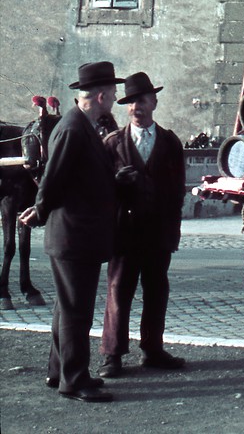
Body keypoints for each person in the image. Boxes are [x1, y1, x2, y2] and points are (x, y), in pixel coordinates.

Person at [19, 62, 124, 403]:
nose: (115, 98)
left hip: (79, 235)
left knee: (66, 310)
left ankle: (58, 371)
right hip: (74, 236)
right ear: (101, 95)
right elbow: (54, 177)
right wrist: (41, 210)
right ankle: (74, 380)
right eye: (113, 93)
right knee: (76, 311)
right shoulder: (73, 128)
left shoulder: (82, 125)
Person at [99, 72, 186, 377]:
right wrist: (114, 182)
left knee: (156, 290)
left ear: (154, 102)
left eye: (143, 100)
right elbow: (96, 189)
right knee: (119, 290)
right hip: (124, 233)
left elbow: (177, 192)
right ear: (126, 107)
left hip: (157, 233)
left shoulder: (170, 142)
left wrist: (172, 233)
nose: (137, 106)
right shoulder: (112, 143)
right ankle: (112, 355)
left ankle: (153, 350)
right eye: (132, 102)